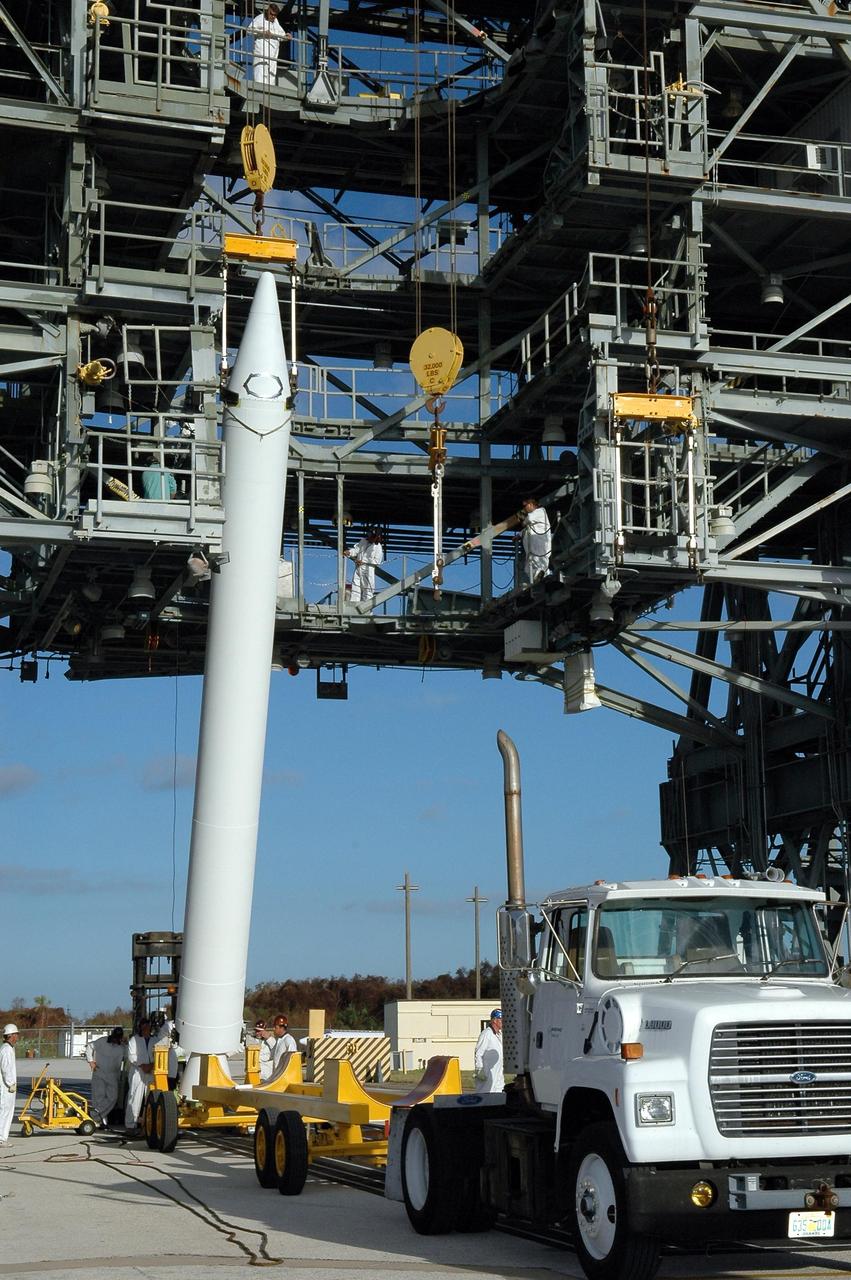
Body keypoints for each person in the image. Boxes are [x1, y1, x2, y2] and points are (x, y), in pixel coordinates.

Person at [85, 1026, 125, 1128]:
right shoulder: (102, 1041)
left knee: (113, 1098)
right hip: (99, 1072)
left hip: (113, 1075)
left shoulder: (121, 1048)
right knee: (99, 1097)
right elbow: (90, 1046)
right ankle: (101, 1122)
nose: (116, 1040)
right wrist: (91, 1061)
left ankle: (93, 1116)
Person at [124, 1018, 155, 1132]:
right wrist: (142, 1065)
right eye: (144, 1026)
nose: (146, 1028)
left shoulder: (155, 1040)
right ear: (141, 1027)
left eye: (148, 1026)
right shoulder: (134, 1040)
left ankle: (148, 1123)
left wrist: (152, 1065)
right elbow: (131, 1056)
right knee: (135, 1096)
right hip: (138, 1071)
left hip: (151, 1071)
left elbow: (159, 1053)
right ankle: (131, 1123)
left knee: (151, 1097)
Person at [249, 4, 288, 86]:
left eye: (274, 15)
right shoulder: (260, 18)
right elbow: (249, 30)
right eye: (271, 14)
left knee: (271, 79)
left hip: (272, 56)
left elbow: (281, 35)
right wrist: (262, 32)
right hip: (261, 55)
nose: (273, 16)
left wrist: (287, 37)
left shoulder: (276, 22)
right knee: (260, 77)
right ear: (267, 12)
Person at [345, 529, 384, 605]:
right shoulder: (363, 541)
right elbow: (356, 550)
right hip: (358, 567)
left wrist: (364, 562)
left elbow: (377, 561)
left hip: (368, 569)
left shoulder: (378, 547)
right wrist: (349, 552)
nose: (369, 538)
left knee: (368, 589)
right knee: (355, 587)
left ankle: (367, 608)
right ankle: (354, 605)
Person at [519, 496, 551, 586]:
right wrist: (519, 535)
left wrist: (523, 521)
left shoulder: (540, 511)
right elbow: (528, 528)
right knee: (530, 566)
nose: (525, 509)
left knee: (539, 561)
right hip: (534, 545)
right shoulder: (536, 516)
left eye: (526, 506)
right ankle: (539, 577)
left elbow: (527, 520)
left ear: (531, 504)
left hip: (539, 542)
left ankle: (541, 576)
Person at [473, 1009, 504, 1093]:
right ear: (494, 1020)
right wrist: (479, 1069)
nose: (503, 1022)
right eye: (501, 1019)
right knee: (486, 1094)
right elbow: (478, 1053)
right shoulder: (486, 1034)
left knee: (499, 1092)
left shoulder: (499, 1034)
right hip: (487, 1072)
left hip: (498, 1071)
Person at [0, 1024, 18, 1145]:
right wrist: (11, 1083)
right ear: (11, 1036)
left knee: (6, 1111)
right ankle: (1, 1138)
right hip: (6, 1087)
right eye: (16, 1034)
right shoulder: (6, 1049)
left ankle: (2, 1137)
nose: (17, 1037)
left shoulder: (8, 1048)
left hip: (7, 1087)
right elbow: (6, 1068)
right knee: (5, 1111)